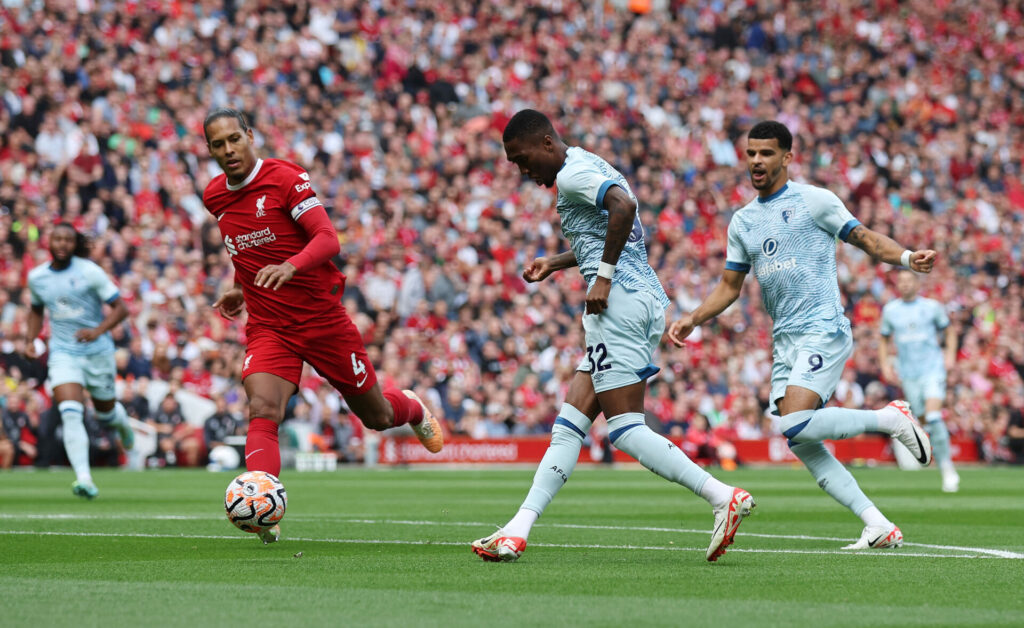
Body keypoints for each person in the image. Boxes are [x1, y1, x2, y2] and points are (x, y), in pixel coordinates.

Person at [471, 109, 755, 564]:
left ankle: (722, 495)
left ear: (546, 143)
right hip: (635, 297)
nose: (523, 170)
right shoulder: (588, 162)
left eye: (522, 159)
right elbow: (606, 226)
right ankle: (516, 531)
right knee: (568, 427)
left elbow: (624, 208)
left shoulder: (572, 173)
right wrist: (559, 262)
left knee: (624, 430)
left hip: (617, 301)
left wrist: (600, 278)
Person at [669, 121, 935, 550]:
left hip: (822, 326)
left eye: (767, 153)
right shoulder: (743, 222)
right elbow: (729, 286)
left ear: (787, 157)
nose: (757, 160)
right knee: (799, 438)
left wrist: (906, 257)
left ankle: (890, 419)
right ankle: (877, 524)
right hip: (785, 339)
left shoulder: (814, 200)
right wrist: (693, 318)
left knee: (795, 420)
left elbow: (864, 238)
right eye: (752, 153)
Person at [201, 108, 443, 544]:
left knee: (377, 416)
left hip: (322, 321)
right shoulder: (214, 196)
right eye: (217, 144)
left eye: (234, 139)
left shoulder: (285, 179)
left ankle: (410, 407)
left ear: (250, 135)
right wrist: (240, 287)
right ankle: (263, 505)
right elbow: (246, 251)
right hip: (270, 325)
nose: (228, 150)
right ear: (209, 150)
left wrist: (291, 267)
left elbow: (328, 240)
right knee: (263, 410)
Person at [24, 222, 134, 498]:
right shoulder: (37, 277)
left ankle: (122, 424)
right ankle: (85, 479)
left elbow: (121, 308)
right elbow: (36, 310)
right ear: (49, 242)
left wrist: (97, 331)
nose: (62, 244)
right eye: (57, 239)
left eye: (67, 240)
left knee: (106, 415)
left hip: (98, 353)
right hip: (63, 353)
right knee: (70, 412)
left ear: (75, 245)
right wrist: (30, 339)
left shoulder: (89, 272)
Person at [879, 270, 960, 492]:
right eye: (901, 281)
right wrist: (886, 364)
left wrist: (950, 354)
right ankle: (938, 459)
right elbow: (884, 339)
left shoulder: (931, 307)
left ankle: (947, 469)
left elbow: (949, 330)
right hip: (909, 374)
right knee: (924, 420)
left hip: (932, 369)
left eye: (908, 280)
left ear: (917, 283)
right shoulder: (891, 310)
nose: (904, 285)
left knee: (934, 417)